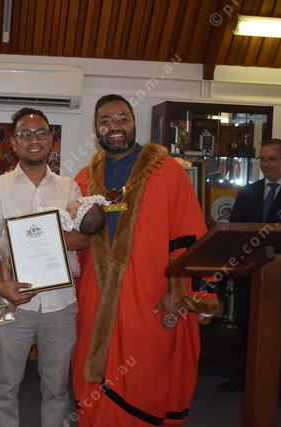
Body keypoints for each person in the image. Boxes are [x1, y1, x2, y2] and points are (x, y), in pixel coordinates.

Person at [71, 94, 219, 426]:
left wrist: (179, 294)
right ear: (96, 128)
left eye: (121, 118)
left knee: (144, 377)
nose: (114, 126)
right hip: (96, 297)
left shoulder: (167, 172)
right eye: (105, 120)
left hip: (149, 295)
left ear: (134, 123)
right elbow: (73, 239)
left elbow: (189, 237)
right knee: (93, 378)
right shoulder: (85, 178)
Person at [0, 107, 88, 427]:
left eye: (40, 133)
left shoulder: (69, 187)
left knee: (57, 389)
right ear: (13, 143)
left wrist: (41, 234)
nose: (33, 140)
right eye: (25, 134)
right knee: (5, 386)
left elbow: (84, 238)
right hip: (11, 300)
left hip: (60, 304)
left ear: (51, 140)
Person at [216, 138, 281, 405]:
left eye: (272, 159)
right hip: (249, 273)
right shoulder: (248, 192)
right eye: (263, 159)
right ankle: (240, 377)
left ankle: (277, 386)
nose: (266, 165)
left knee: (280, 330)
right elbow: (236, 231)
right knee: (245, 325)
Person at [0, 196, 107, 326]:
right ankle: (9, 307)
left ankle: (6, 301)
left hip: (40, 255)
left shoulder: (63, 216)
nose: (74, 201)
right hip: (55, 261)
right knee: (20, 277)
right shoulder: (76, 227)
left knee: (8, 266)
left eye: (77, 202)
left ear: (74, 214)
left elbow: (41, 213)